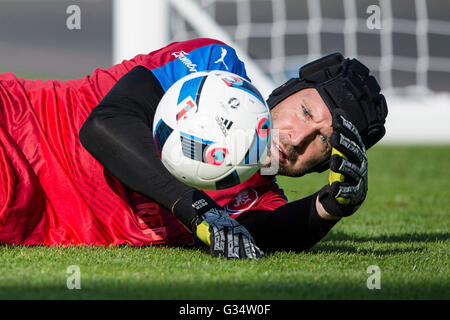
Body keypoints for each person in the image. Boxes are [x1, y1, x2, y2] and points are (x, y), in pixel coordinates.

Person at [0, 38, 387, 259]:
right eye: (304, 111)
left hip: (26, 218)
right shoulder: (213, 69)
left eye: (323, 139)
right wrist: (196, 208)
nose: (298, 137)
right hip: (18, 127)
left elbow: (272, 234)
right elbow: (105, 125)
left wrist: (332, 207)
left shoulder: (259, 200)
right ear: (285, 91)